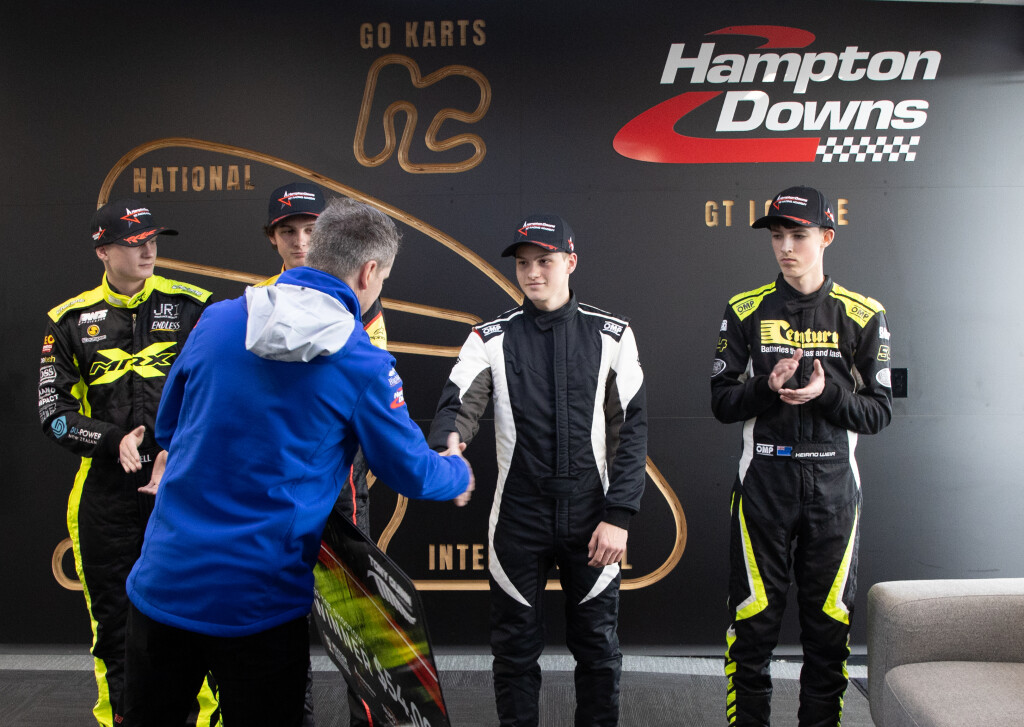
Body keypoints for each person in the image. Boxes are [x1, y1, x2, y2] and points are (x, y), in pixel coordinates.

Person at [122, 197, 474, 726]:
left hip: (162, 584)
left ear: (317, 248)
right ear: (368, 271)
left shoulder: (218, 318)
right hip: (259, 605)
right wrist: (457, 471)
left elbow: (168, 427)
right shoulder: (363, 361)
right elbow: (412, 472)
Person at [428, 214, 647, 727]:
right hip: (518, 518)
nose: (532, 273)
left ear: (570, 262)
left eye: (544, 261)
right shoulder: (488, 336)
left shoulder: (613, 334)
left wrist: (619, 515)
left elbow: (632, 429)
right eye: (524, 263)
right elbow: (458, 403)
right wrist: (448, 444)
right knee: (514, 651)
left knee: (598, 649)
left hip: (592, 516)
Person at [710, 186, 893, 726]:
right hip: (764, 483)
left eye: (798, 235)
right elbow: (721, 402)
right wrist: (766, 387)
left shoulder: (862, 313)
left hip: (833, 488)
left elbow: (879, 413)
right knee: (752, 625)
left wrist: (826, 394)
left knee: (829, 629)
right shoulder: (745, 308)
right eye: (777, 236)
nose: (786, 247)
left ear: (826, 237)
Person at [37, 199, 219, 726]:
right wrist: (111, 439)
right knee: (115, 629)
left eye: (152, 240)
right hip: (106, 496)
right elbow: (53, 414)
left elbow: (222, 396)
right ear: (103, 250)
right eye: (133, 243)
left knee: (196, 623)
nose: (147, 251)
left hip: (183, 487)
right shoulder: (68, 320)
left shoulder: (196, 307)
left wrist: (176, 451)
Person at [259, 180, 387, 726]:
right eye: (287, 231)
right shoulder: (258, 300)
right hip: (276, 483)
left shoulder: (360, 297)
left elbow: (369, 396)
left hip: (339, 484)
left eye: (310, 229)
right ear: (273, 239)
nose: (300, 241)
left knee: (355, 615)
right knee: (277, 617)